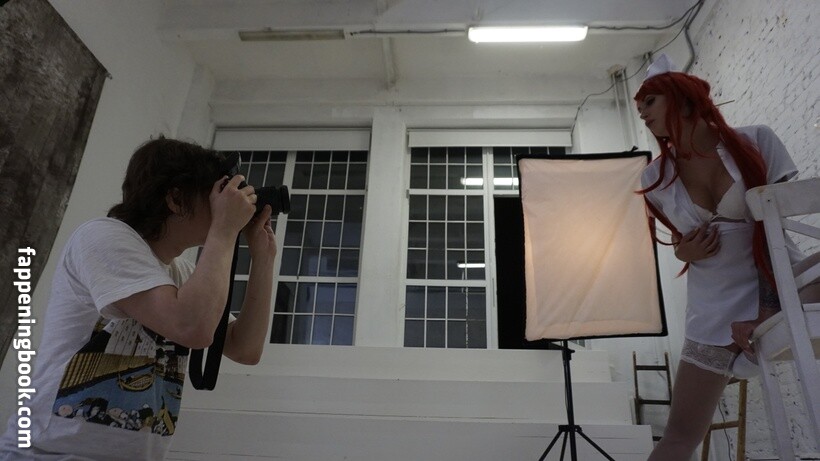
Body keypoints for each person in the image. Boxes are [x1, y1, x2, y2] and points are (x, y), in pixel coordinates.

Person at [0, 138, 277, 460]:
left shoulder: (182, 273)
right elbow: (191, 328)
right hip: (45, 453)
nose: (224, 205)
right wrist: (224, 229)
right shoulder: (102, 236)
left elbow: (245, 349)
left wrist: (263, 258)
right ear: (176, 199)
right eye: (217, 194)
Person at [635, 54, 806, 460]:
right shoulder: (655, 177)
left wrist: (767, 309)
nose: (642, 112)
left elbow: (773, 227)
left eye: (650, 101)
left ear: (683, 98)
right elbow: (681, 239)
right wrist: (683, 250)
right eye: (639, 107)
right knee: (680, 436)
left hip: (779, 283)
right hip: (713, 307)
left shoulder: (756, 141)